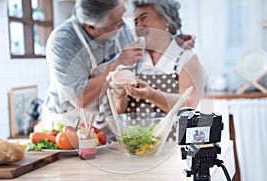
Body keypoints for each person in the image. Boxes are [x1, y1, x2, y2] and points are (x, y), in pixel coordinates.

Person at [40, 0, 196, 133]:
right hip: (71, 126)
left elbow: (141, 45)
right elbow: (81, 99)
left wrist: (171, 41)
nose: (123, 25)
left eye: (122, 17)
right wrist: (117, 64)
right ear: (91, 27)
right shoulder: (62, 43)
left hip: (107, 123)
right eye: (116, 23)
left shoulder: (119, 29)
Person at [110, 0, 205, 116]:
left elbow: (190, 103)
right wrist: (119, 93)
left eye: (144, 18)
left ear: (167, 19)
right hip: (136, 134)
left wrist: (151, 95)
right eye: (136, 22)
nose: (139, 26)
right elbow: (119, 111)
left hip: (173, 134)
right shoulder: (131, 58)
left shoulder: (185, 58)